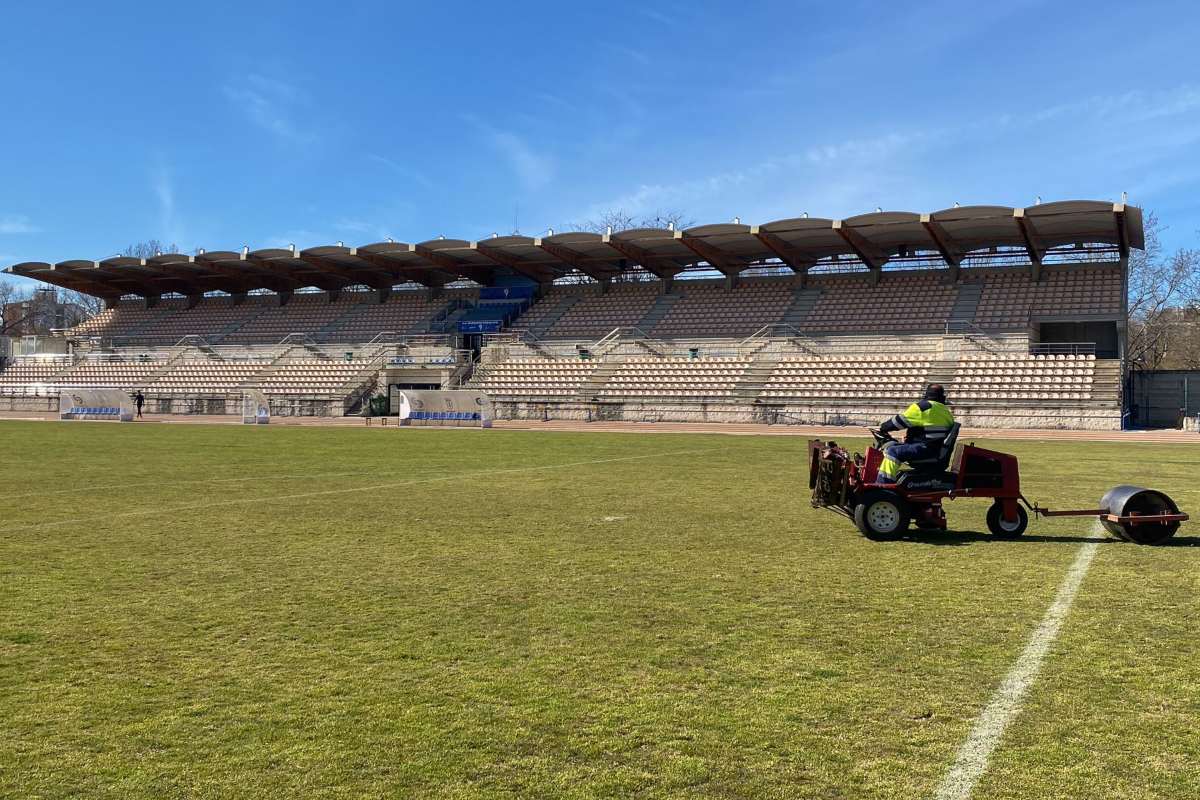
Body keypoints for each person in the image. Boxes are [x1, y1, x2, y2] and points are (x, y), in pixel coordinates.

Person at [875, 384, 955, 484]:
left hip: (924, 450)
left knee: (893, 451)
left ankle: (882, 484)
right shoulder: (946, 412)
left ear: (926, 394)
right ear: (942, 396)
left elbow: (897, 423)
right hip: (936, 451)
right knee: (894, 445)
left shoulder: (923, 408)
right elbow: (931, 432)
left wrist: (883, 427)